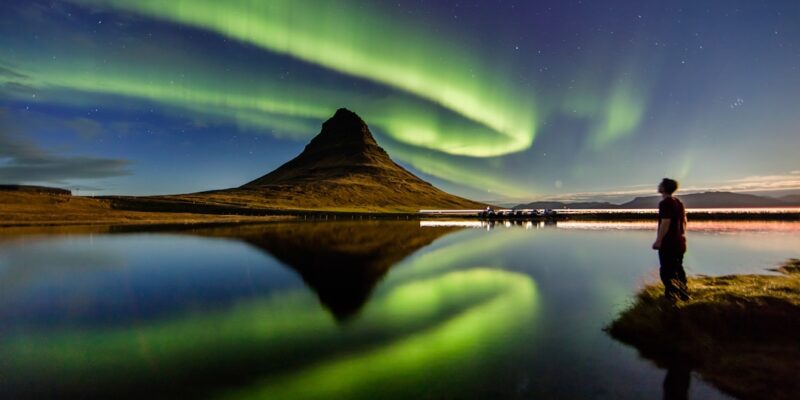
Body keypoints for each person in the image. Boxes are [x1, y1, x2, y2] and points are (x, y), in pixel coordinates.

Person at [652, 178, 689, 300]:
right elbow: (684, 221)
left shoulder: (665, 203)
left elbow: (665, 222)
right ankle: (683, 293)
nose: (658, 185)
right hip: (680, 242)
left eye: (660, 184)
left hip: (669, 243)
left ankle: (671, 296)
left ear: (664, 188)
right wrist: (682, 235)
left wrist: (659, 240)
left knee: (666, 271)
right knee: (678, 268)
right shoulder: (678, 202)